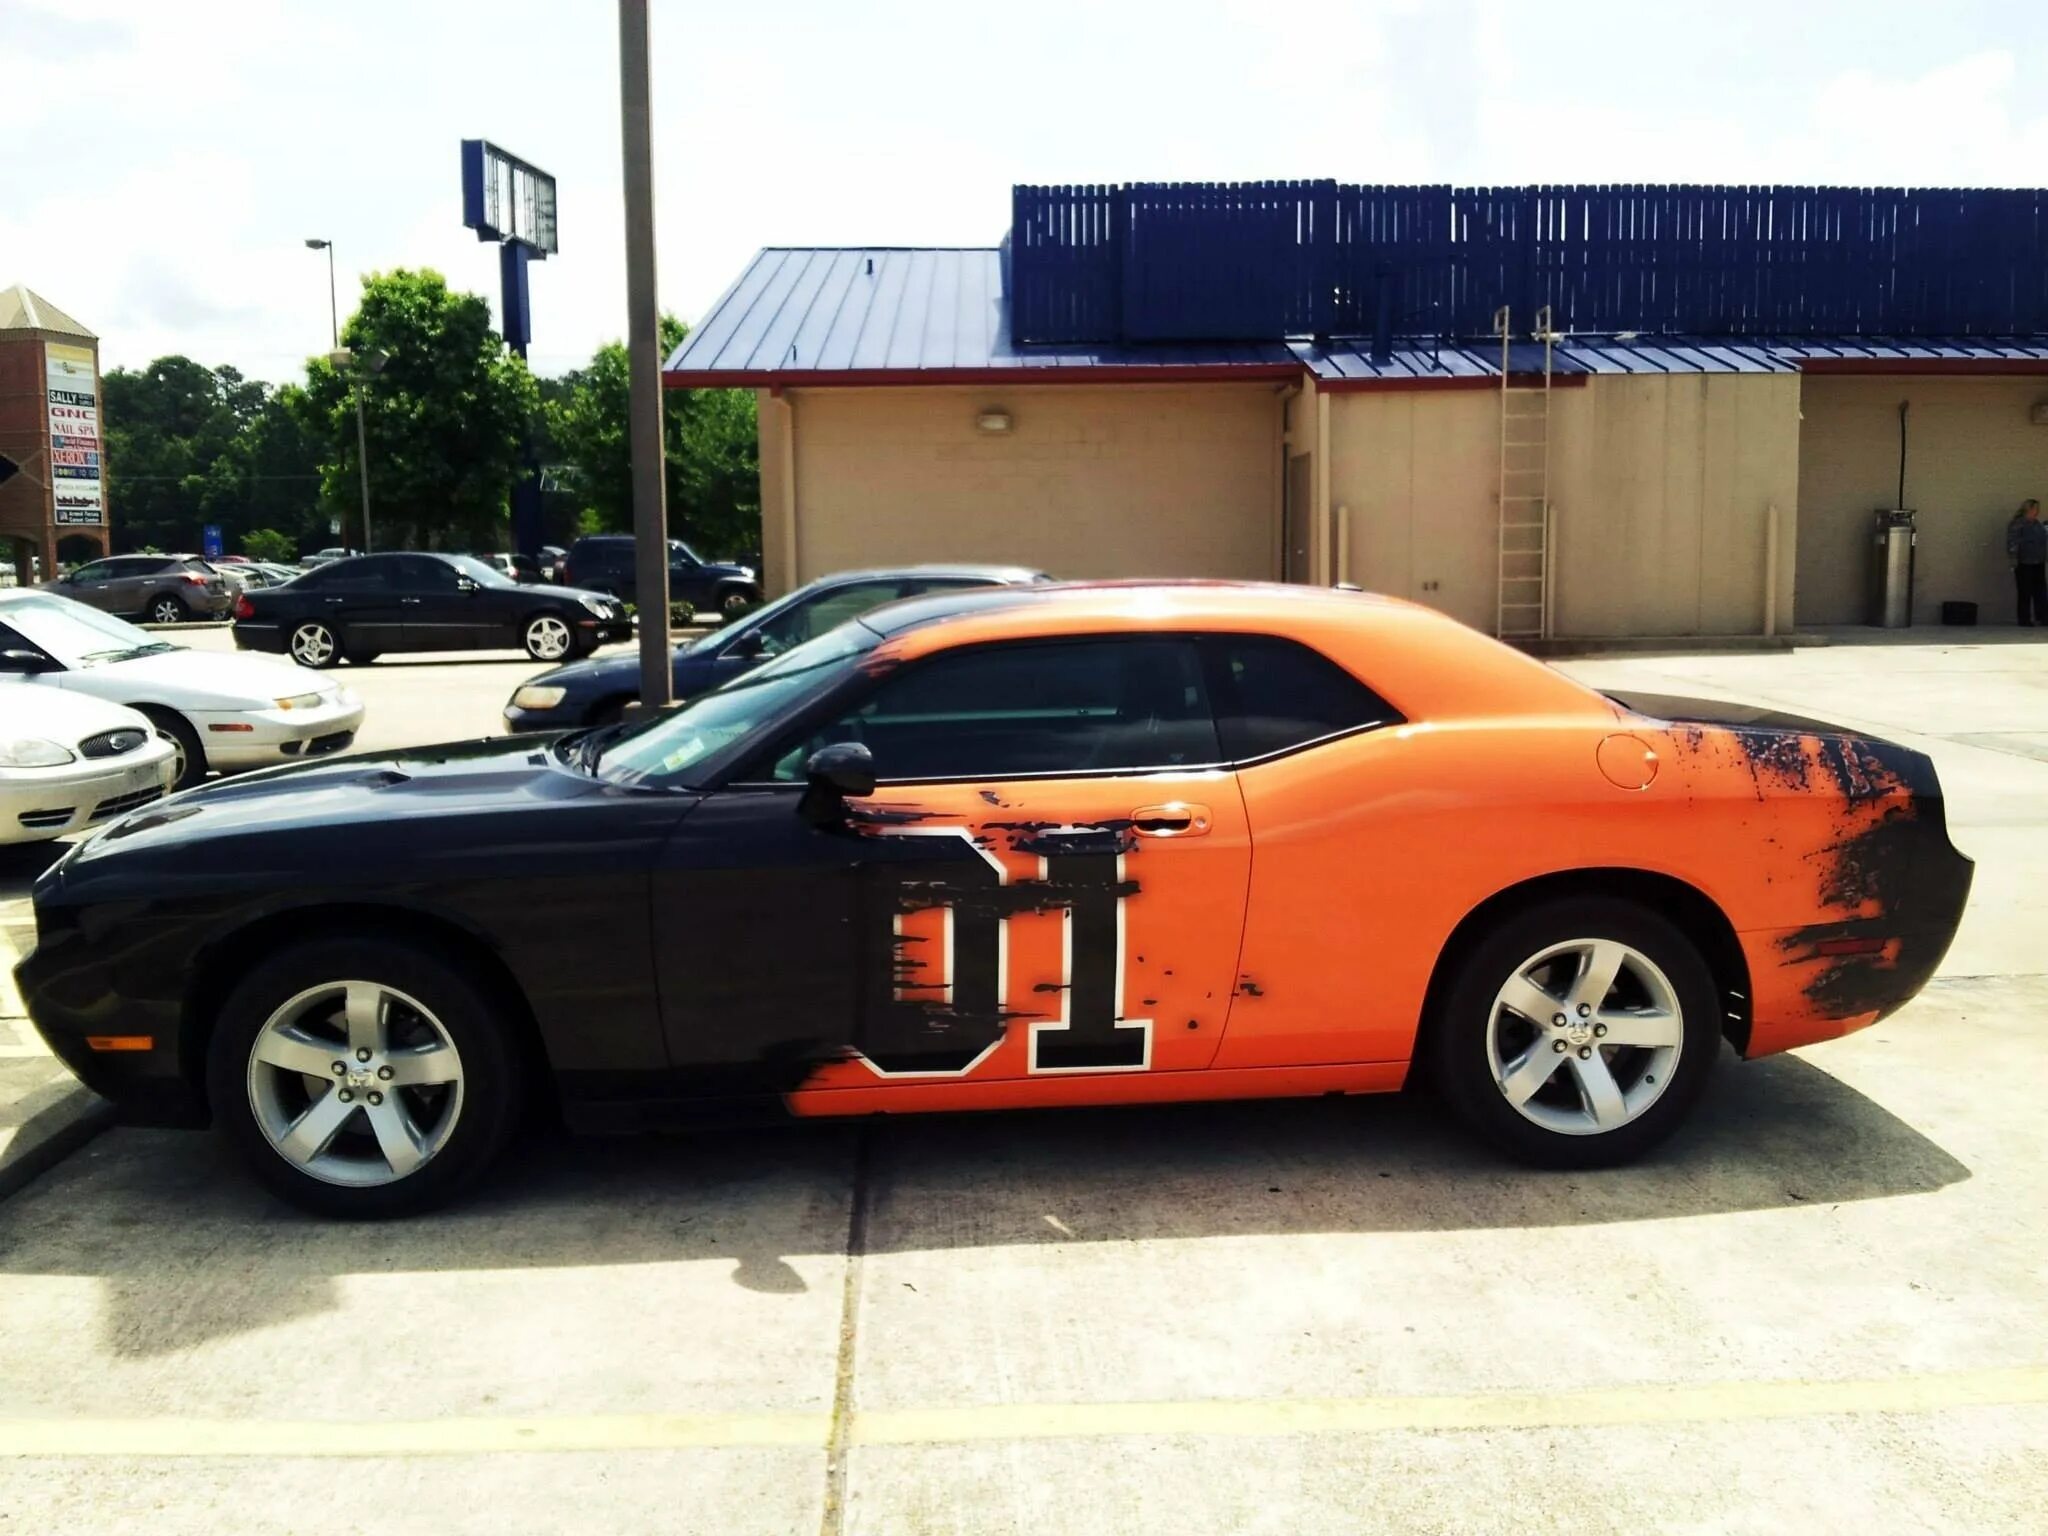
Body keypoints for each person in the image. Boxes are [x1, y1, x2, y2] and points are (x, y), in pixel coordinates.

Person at [2010, 499, 2048, 626]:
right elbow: (2013, 542)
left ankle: (2042, 617)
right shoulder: (2018, 523)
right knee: (2025, 591)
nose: (2036, 511)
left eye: (2037, 509)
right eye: (2034, 509)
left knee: (2041, 591)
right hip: (2024, 562)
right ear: (2028, 509)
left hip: (2038, 561)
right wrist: (2013, 559)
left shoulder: (2038, 524)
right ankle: (2024, 619)